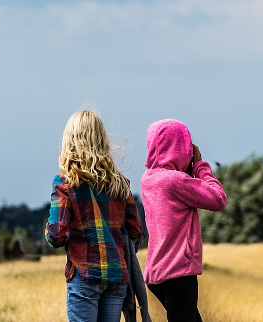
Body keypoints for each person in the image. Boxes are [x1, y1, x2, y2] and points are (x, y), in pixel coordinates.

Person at [46, 110, 144, 322]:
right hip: (117, 276)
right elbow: (136, 229)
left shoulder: (65, 183)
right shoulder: (120, 182)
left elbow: (56, 235)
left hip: (85, 273)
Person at [141, 119, 228, 322]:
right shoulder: (177, 181)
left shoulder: (148, 179)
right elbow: (218, 199)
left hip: (157, 272)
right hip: (178, 271)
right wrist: (200, 166)